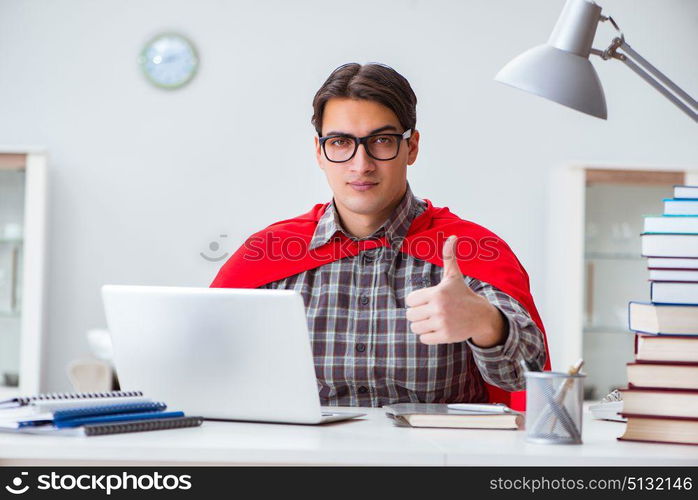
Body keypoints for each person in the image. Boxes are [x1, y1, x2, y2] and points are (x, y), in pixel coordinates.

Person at [211, 62, 550, 409]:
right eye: (341, 143)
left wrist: (487, 323)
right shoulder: (266, 253)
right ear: (319, 152)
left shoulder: (469, 252)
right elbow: (205, 366)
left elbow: (529, 379)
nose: (361, 164)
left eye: (382, 141)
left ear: (412, 147)